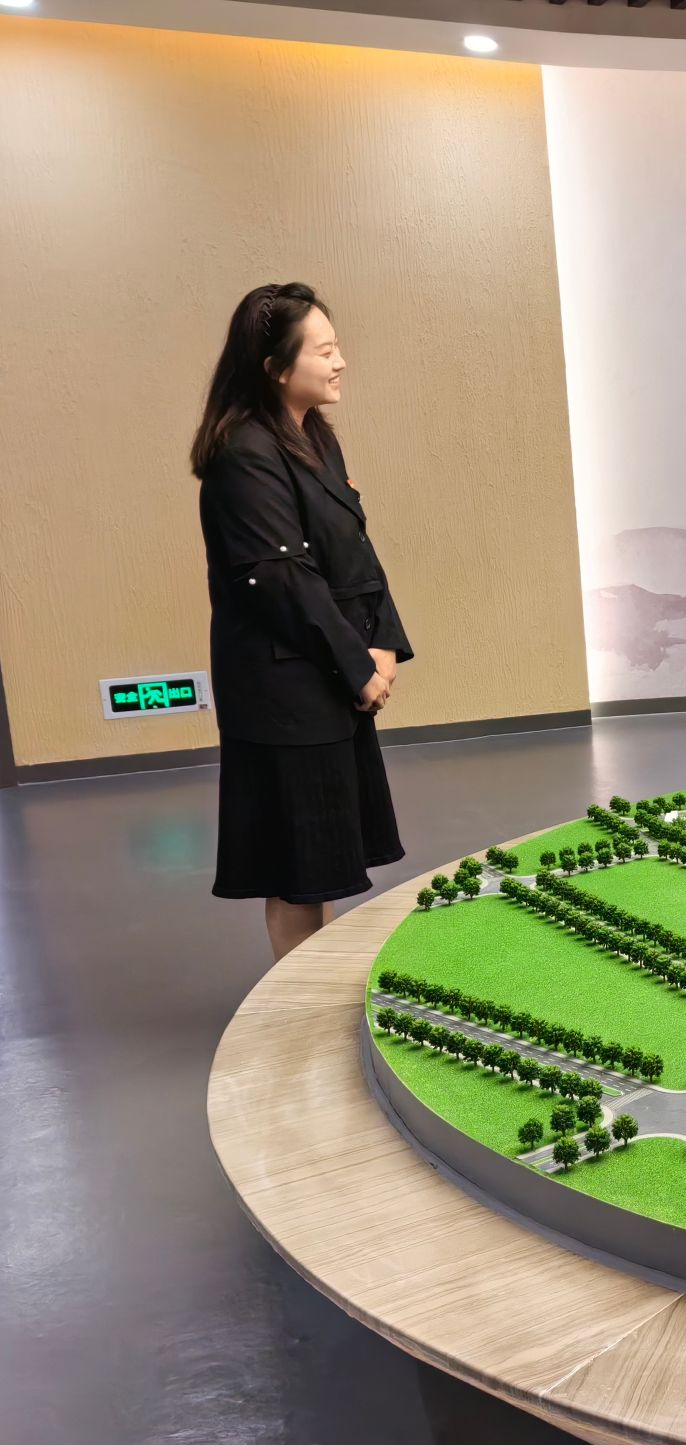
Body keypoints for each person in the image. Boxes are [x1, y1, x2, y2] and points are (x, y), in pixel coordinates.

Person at [192, 282, 411, 961]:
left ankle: (312, 990)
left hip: (326, 677)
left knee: (323, 859)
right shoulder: (243, 453)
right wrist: (358, 668)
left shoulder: (313, 437)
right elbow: (282, 581)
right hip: (283, 691)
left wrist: (384, 643)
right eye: (324, 350)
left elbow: (354, 551)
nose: (340, 362)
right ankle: (293, 1004)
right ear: (275, 367)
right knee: (296, 872)